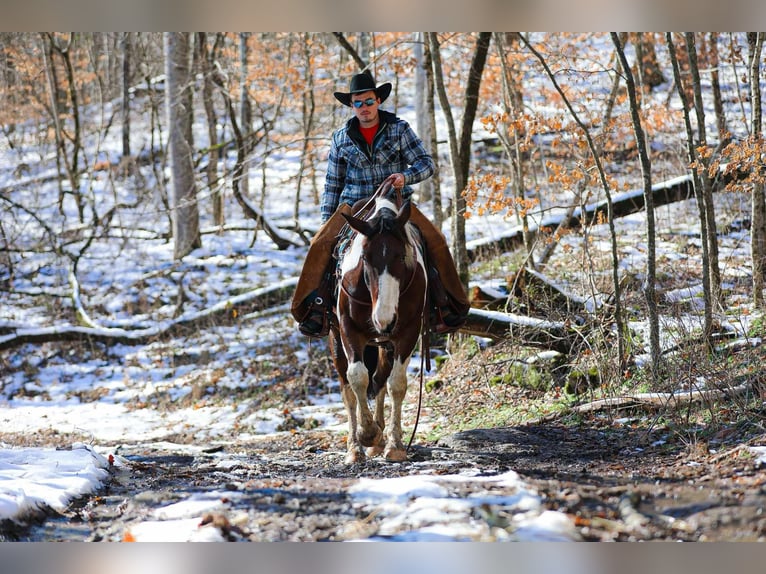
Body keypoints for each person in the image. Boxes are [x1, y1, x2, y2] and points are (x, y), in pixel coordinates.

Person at [291, 71, 470, 337]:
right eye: (358, 103)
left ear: (378, 101)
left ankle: (446, 304)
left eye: (368, 101)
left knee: (435, 239)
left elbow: (426, 164)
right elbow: (332, 183)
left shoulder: (399, 129)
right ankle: (315, 307)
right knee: (320, 243)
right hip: (354, 206)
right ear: (351, 106)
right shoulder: (341, 138)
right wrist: (327, 221)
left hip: (396, 204)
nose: (364, 108)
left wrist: (404, 177)